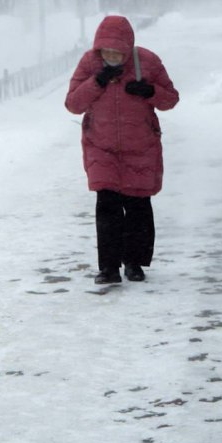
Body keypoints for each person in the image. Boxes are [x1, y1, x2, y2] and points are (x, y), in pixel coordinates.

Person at [65, 15, 179, 285]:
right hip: (100, 147)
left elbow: (170, 98)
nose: (112, 57)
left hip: (141, 147)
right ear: (99, 49)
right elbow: (72, 103)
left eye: (118, 53)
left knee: (138, 206)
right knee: (107, 205)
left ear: (128, 49)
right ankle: (109, 268)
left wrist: (148, 90)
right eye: (107, 52)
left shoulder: (147, 62)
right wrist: (99, 81)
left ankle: (134, 263)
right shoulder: (90, 64)